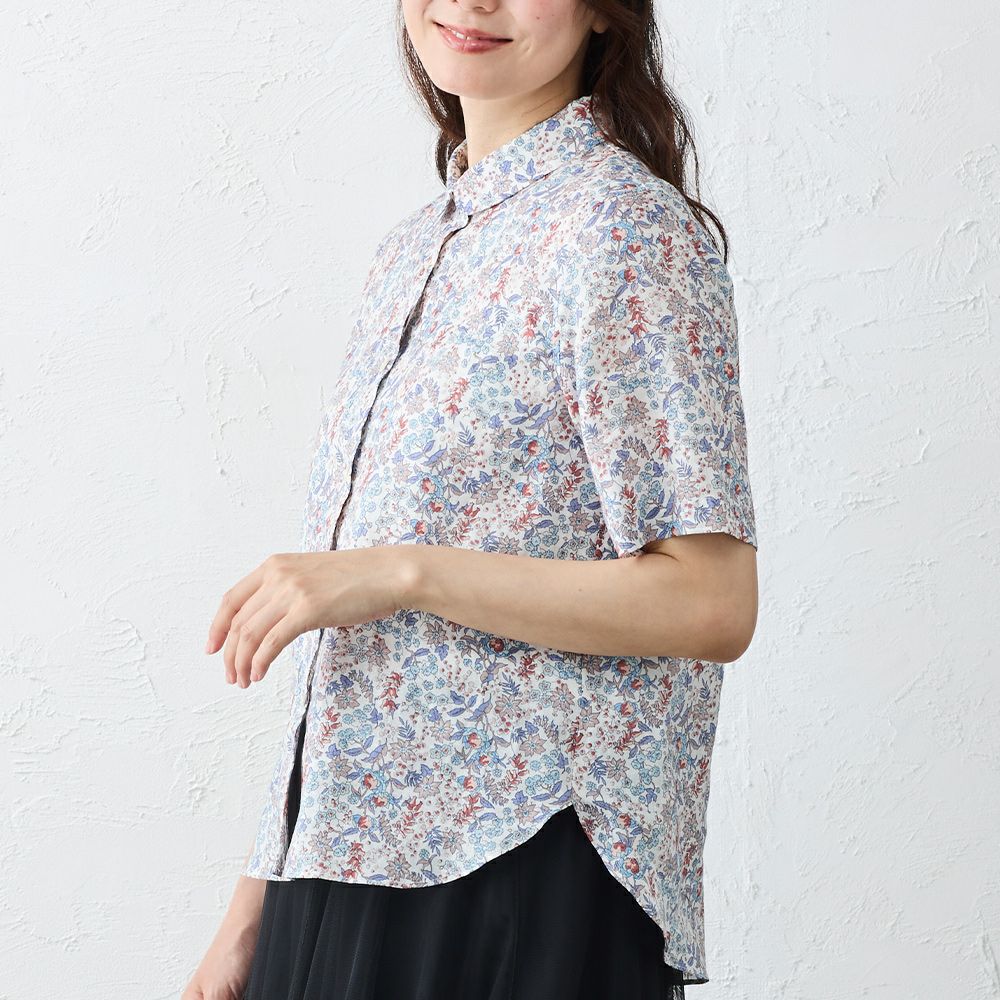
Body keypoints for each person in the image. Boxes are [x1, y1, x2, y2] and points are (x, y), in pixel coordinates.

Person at [183, 2, 760, 998]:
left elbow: (710, 603)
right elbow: (352, 659)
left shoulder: (623, 229)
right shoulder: (413, 248)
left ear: (603, 11)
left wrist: (404, 573)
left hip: (517, 866)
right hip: (346, 864)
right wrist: (253, 910)